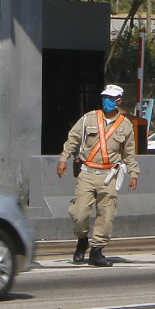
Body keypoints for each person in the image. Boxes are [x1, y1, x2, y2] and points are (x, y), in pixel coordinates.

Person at [56, 83, 139, 267]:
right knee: (78, 213)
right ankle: (82, 240)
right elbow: (73, 138)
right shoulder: (89, 118)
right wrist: (63, 158)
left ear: (118, 101)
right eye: (104, 98)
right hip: (87, 173)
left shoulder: (125, 126)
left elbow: (129, 154)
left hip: (109, 176)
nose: (106, 101)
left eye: (110, 99)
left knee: (106, 216)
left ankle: (96, 251)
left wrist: (133, 173)